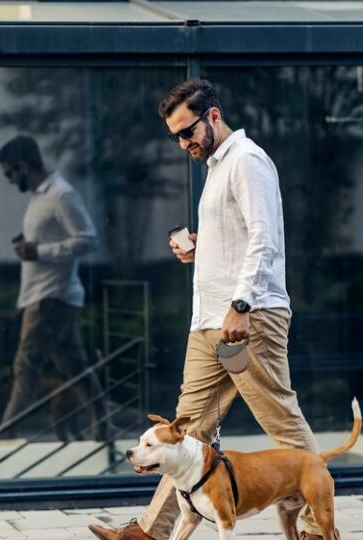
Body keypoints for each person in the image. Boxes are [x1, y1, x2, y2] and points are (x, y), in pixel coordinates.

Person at [88, 80, 331, 540]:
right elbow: (238, 238)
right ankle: (150, 531)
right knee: (187, 427)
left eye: (188, 131)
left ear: (214, 116)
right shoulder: (216, 168)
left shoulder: (247, 161)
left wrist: (241, 305)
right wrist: (203, 248)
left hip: (247, 318)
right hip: (208, 321)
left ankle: (319, 525)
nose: (184, 143)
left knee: (279, 416)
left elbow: (265, 238)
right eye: (176, 137)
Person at [0, 135, 105, 441]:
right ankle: (104, 428)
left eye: (9, 173)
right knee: (76, 366)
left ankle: (3, 438)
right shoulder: (40, 197)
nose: (8, 180)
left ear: (22, 166)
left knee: (25, 366)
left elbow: (88, 240)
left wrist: (40, 251)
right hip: (45, 295)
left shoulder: (61, 195)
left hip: (52, 297)